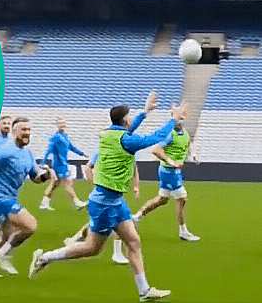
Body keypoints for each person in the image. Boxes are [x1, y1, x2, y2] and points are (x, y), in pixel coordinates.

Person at [29, 91, 187, 301]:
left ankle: (144, 291)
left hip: (115, 201)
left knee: (133, 242)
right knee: (92, 249)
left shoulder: (109, 134)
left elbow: (129, 130)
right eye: (130, 116)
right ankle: (45, 258)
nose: (131, 120)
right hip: (105, 203)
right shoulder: (126, 140)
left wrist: (145, 112)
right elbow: (155, 138)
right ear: (124, 120)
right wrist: (173, 119)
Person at [0, 117, 53, 278]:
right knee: (30, 226)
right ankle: (2, 255)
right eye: (23, 130)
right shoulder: (6, 150)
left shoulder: (27, 153)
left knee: (6, 237)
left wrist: (46, 175)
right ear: (15, 132)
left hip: (9, 197)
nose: (27, 133)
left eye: (29, 130)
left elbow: (36, 178)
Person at [63, 151, 137, 265]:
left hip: (114, 193)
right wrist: (96, 185)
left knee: (99, 223)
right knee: (121, 220)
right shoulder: (102, 150)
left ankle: (75, 238)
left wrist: (136, 186)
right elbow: (88, 168)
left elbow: (134, 167)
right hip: (105, 194)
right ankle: (117, 254)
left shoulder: (125, 149)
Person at [133, 120, 200, 241]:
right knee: (182, 199)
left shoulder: (184, 132)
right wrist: (171, 162)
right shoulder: (170, 134)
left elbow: (188, 143)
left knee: (162, 200)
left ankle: (137, 216)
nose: (180, 121)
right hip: (169, 172)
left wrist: (193, 155)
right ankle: (183, 231)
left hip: (173, 172)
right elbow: (156, 150)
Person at [39, 117, 89, 211]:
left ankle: (44, 203)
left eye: (63, 123)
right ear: (57, 125)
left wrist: (81, 153)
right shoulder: (56, 137)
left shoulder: (65, 136)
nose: (62, 124)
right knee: (68, 183)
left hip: (63, 164)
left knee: (55, 184)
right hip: (59, 165)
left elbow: (71, 147)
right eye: (60, 123)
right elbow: (48, 150)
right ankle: (77, 202)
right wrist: (43, 162)